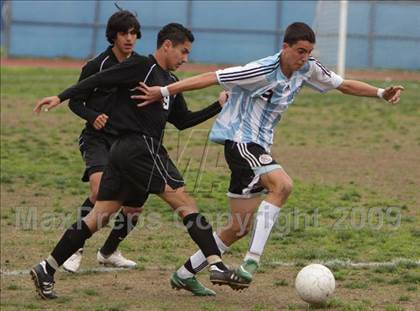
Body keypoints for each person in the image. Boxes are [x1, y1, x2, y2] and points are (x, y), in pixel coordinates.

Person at [133, 22, 404, 289]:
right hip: (240, 142)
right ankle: (251, 262)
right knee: (282, 185)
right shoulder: (261, 69)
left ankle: (184, 273)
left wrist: (381, 92)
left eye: (308, 51)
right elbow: (212, 77)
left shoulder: (308, 68)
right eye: (299, 51)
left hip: (259, 147)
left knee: (238, 228)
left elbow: (343, 85)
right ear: (284, 47)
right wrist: (165, 90)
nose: (304, 57)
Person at [31, 22, 246, 300]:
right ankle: (216, 265)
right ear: (166, 45)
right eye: (183, 51)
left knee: (99, 216)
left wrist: (217, 106)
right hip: (139, 147)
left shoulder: (170, 84)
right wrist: (61, 97)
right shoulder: (141, 66)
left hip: (127, 152)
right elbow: (98, 80)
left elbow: (182, 121)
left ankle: (46, 268)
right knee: (185, 204)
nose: (185, 59)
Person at [61, 9, 142, 274]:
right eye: (123, 33)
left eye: (133, 33)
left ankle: (109, 252)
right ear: (113, 36)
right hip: (96, 139)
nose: (129, 38)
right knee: (99, 192)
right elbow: (76, 101)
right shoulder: (97, 65)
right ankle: (75, 248)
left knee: (133, 205)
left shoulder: (140, 65)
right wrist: (93, 115)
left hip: (126, 141)